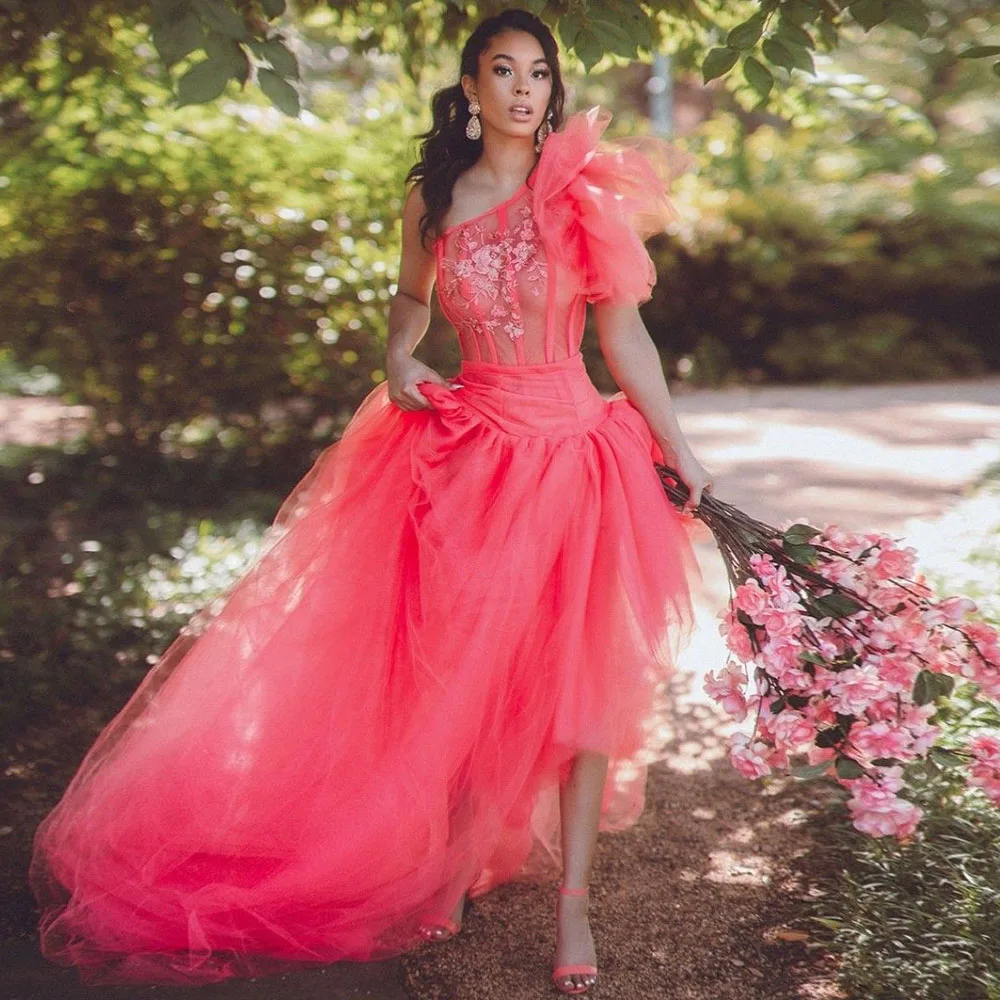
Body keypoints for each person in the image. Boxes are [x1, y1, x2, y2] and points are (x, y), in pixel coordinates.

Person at [29, 7, 713, 996]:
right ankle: (453, 865)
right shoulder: (434, 196)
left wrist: (677, 442)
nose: (523, 90)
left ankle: (573, 902)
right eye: (501, 71)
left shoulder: (579, 196)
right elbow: (410, 297)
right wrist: (398, 353)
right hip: (468, 448)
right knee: (465, 668)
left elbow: (627, 338)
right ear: (469, 89)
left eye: (537, 73)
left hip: (573, 452)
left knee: (574, 679)